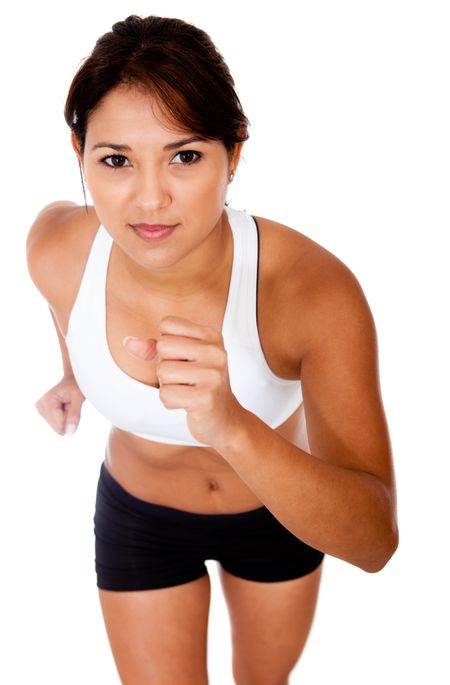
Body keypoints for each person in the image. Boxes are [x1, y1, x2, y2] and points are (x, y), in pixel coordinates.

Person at [26, 13, 399, 685]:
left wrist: (230, 426)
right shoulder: (56, 248)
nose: (150, 198)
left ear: (234, 150)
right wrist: (72, 373)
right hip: (139, 515)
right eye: (115, 160)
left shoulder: (312, 291)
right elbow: (64, 305)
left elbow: (374, 543)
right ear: (78, 152)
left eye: (186, 155)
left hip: (276, 515)